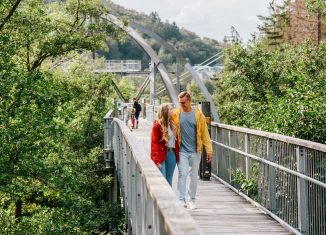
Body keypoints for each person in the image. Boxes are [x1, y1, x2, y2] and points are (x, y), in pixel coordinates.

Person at [172, 91, 212, 210]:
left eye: (183, 103)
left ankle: (192, 200)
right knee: (182, 174)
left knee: (193, 176)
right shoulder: (175, 114)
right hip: (182, 150)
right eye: (180, 103)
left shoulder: (198, 115)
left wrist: (209, 150)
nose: (181, 105)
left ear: (189, 101)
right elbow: (163, 120)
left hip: (196, 151)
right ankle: (181, 199)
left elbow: (205, 134)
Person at [151, 103, 179, 186]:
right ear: (165, 111)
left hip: (171, 153)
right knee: (162, 178)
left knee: (169, 179)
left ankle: (169, 198)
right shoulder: (157, 126)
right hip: (161, 154)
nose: (172, 111)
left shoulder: (173, 124)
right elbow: (154, 143)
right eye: (170, 109)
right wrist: (156, 159)